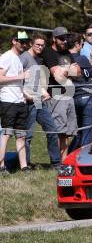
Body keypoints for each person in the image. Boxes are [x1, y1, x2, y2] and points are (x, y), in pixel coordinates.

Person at [20, 33, 61, 169]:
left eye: (42, 45)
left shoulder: (39, 59)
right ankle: (25, 164)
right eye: (37, 44)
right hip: (28, 102)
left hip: (39, 101)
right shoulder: (24, 58)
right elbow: (18, 80)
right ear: (31, 43)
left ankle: (56, 163)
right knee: (28, 135)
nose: (40, 47)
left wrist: (43, 92)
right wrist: (26, 96)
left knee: (52, 130)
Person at [41, 27, 80, 160]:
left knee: (67, 132)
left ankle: (64, 161)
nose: (65, 40)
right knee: (58, 130)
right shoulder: (48, 52)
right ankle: (56, 161)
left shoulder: (67, 53)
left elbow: (78, 73)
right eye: (61, 38)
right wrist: (70, 70)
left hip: (68, 95)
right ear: (54, 39)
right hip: (55, 94)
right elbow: (57, 75)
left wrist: (66, 70)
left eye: (66, 38)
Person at [0, 31, 31, 173]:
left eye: (26, 42)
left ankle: (24, 166)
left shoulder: (18, 59)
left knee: (21, 135)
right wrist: (21, 76)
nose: (24, 44)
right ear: (14, 41)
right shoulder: (6, 57)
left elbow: (18, 82)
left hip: (20, 102)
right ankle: (1, 166)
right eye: (21, 41)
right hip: (8, 101)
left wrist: (25, 95)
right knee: (6, 134)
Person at [67, 34, 92, 152]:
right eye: (82, 43)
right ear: (77, 44)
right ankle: (83, 159)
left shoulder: (63, 59)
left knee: (79, 133)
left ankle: (69, 156)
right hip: (88, 98)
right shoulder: (82, 59)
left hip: (74, 98)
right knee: (86, 133)